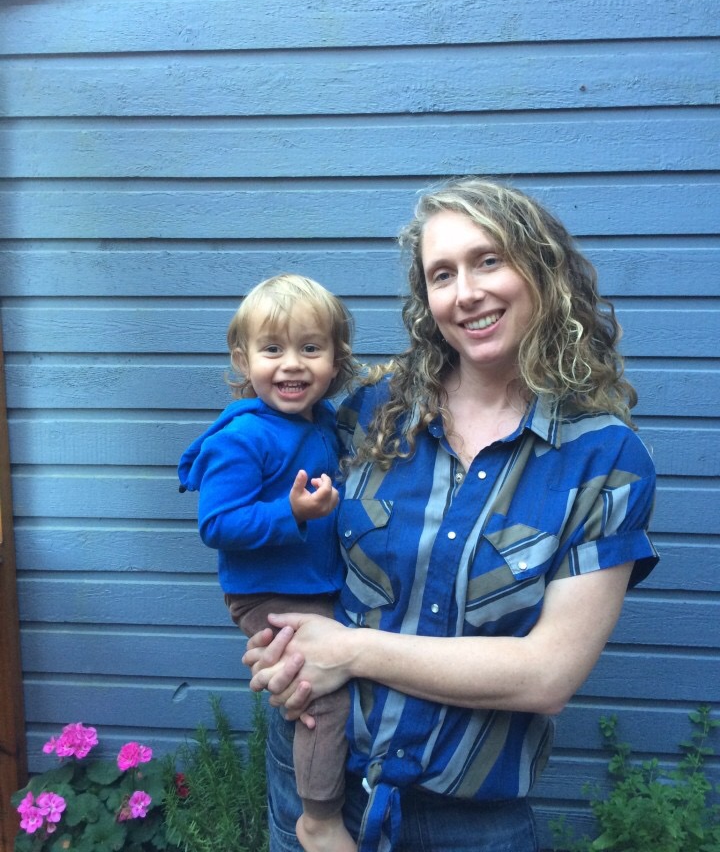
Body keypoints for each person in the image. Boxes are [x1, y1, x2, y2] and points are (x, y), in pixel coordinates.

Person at [243, 178, 659, 852]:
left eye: (488, 261)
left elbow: (549, 675)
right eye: (443, 274)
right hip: (316, 767)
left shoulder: (604, 460)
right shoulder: (370, 412)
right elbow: (280, 535)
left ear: (542, 269)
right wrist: (279, 641)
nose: (466, 292)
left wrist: (348, 650)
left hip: (470, 819)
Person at [178, 273, 358, 852]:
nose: (292, 364)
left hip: (317, 586)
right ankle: (319, 818)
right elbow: (217, 524)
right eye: (273, 349)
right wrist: (292, 512)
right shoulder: (243, 438)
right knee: (321, 697)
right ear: (244, 359)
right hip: (268, 593)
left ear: (335, 359)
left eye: (311, 347)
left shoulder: (325, 423)